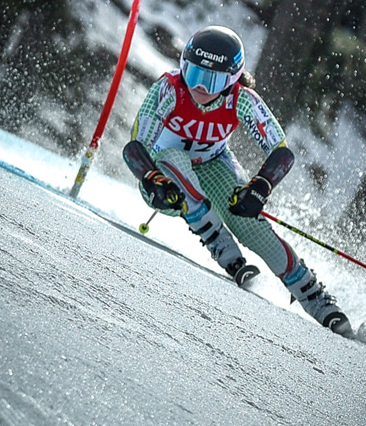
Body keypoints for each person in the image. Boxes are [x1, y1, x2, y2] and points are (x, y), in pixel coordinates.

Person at [122, 25, 352, 336]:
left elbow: (282, 152)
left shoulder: (242, 100)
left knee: (249, 225)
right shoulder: (169, 90)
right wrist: (151, 178)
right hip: (164, 180)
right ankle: (219, 244)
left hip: (213, 165)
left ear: (232, 79)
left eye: (212, 80)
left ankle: (315, 297)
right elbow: (135, 147)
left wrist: (260, 187)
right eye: (194, 74)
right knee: (175, 160)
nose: (200, 87)